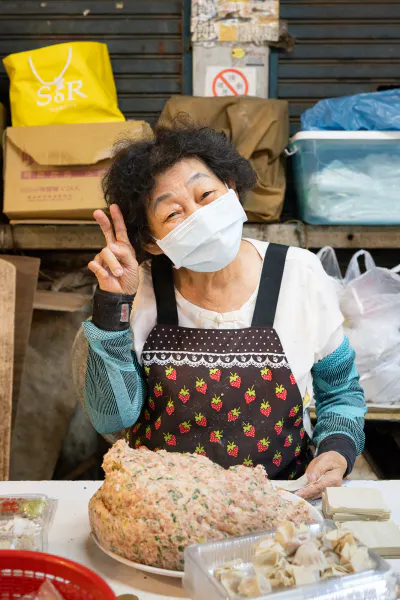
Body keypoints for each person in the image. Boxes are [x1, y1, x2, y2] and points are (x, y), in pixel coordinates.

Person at [83, 124, 367, 500]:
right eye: (172, 214)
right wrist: (112, 307)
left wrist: (338, 448)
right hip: (163, 503)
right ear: (152, 242)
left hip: (283, 498)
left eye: (207, 194)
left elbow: (342, 391)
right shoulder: (139, 289)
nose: (200, 216)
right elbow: (111, 417)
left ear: (232, 189)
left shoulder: (299, 272)